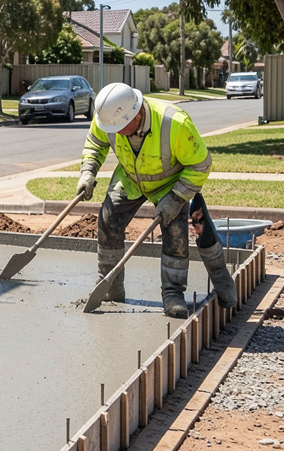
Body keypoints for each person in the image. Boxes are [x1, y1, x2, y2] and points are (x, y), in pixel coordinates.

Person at [76, 82, 236, 318]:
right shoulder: (110, 118)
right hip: (131, 178)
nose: (117, 132)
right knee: (108, 220)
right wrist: (88, 171)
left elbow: (201, 164)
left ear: (138, 112)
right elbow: (96, 142)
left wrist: (176, 198)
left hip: (170, 183)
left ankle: (173, 293)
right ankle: (110, 286)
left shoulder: (175, 123)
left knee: (175, 232)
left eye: (122, 127)